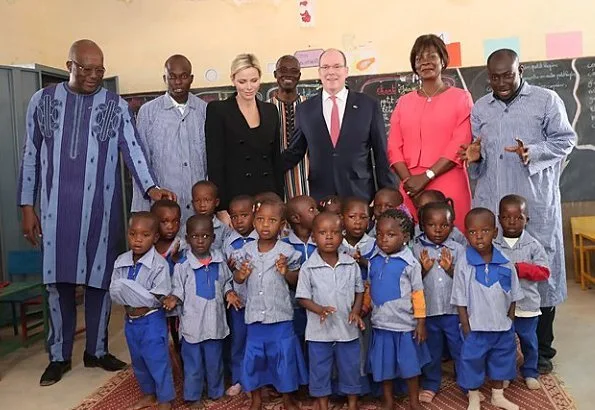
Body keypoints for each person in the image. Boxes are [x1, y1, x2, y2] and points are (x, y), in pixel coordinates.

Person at [17, 39, 175, 386]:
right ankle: (58, 356)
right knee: (57, 284)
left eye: (99, 70)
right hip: (56, 214)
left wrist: (151, 188)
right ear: (69, 65)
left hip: (102, 213)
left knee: (100, 282)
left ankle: (97, 351)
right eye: (85, 69)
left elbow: (132, 150)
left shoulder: (115, 105)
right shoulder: (41, 102)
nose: (93, 76)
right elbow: (30, 154)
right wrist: (27, 206)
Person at [460, 48, 576, 374]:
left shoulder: (547, 100)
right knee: (495, 278)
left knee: (539, 275)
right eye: (494, 77)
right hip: (493, 208)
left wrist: (534, 151)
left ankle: (544, 353)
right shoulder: (481, 108)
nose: (500, 83)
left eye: (506, 75)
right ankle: (502, 351)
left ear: (520, 69)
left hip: (533, 206)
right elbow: (478, 154)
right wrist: (474, 157)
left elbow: (566, 140)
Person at [283, 48, 395, 203]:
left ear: (346, 71)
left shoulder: (368, 105)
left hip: (359, 195)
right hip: (322, 197)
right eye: (325, 67)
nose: (331, 72)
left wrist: (388, 195)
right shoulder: (305, 109)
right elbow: (295, 151)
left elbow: (381, 153)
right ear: (319, 72)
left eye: (337, 66)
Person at [387, 34, 472, 232]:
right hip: (409, 185)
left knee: (453, 241)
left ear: (443, 60)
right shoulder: (404, 102)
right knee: (410, 241)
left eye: (431, 56)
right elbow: (393, 146)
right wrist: (409, 183)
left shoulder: (461, 98)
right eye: (419, 58)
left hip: (448, 178)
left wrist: (427, 176)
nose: (425, 62)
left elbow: (460, 143)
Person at [233, 200, 308, 410]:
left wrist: (287, 272)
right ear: (254, 221)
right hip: (255, 317)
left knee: (284, 359)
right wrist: (241, 274)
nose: (265, 225)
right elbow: (237, 280)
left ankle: (287, 399)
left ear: (282, 224)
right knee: (254, 360)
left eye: (272, 220)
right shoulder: (245, 251)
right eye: (260, 219)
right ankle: (256, 398)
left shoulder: (287, 252)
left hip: (280, 316)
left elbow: (297, 282)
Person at [163, 215, 241, 406]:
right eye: (195, 236)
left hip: (215, 325)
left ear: (213, 238)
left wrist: (229, 293)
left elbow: (225, 283)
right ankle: (193, 396)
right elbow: (178, 289)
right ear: (187, 238)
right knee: (193, 365)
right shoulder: (183, 265)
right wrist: (173, 298)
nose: (200, 240)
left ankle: (215, 391)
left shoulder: (220, 261)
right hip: (192, 327)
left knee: (215, 363)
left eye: (205, 236)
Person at [451, 208, 523, 410]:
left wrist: (510, 321)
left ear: (495, 232)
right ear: (466, 235)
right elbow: (460, 298)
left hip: (502, 327)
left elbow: (514, 295)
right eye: (472, 232)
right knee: (471, 361)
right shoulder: (464, 263)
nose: (479, 236)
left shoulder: (506, 263)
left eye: (484, 230)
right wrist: (466, 326)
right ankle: (473, 397)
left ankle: (497, 395)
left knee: (502, 361)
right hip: (476, 327)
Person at [296, 212, 365, 410]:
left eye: (334, 232)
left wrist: (356, 311)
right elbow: (302, 297)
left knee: (350, 368)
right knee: (320, 370)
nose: (329, 237)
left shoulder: (351, 264)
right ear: (313, 237)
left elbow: (359, 291)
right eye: (323, 232)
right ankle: (323, 404)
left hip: (347, 329)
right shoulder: (308, 267)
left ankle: (352, 404)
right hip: (319, 332)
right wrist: (319, 309)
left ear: (342, 235)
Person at [206, 53, 284, 223]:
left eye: (254, 80)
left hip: (268, 198)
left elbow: (275, 160)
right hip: (236, 201)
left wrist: (280, 201)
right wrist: (221, 208)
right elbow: (215, 163)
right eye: (242, 82)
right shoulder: (218, 110)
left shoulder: (271, 111)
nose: (249, 87)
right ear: (232, 79)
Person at [131, 55, 208, 229]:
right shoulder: (148, 112)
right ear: (165, 79)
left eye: (183, 76)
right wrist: (141, 211)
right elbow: (140, 161)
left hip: (199, 211)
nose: (178, 82)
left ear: (191, 79)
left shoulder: (204, 110)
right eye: (172, 77)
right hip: (162, 211)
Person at [109, 212, 174, 410]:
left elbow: (156, 297)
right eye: (133, 234)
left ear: (155, 237)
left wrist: (130, 291)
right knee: (139, 361)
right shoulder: (121, 261)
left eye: (145, 235)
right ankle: (149, 394)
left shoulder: (159, 264)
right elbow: (115, 292)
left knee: (157, 360)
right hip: (130, 320)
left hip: (151, 320)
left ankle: (165, 400)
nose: (138, 240)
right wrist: (128, 292)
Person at [367, 209, 430, 410]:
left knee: (410, 367)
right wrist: (364, 308)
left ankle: (413, 400)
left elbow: (418, 294)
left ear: (405, 237)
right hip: (381, 325)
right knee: (384, 366)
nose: (384, 239)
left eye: (391, 235)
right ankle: (388, 400)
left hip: (405, 326)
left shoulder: (410, 263)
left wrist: (420, 322)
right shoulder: (374, 260)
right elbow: (370, 287)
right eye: (379, 234)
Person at [495, 195, 550, 390]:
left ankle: (530, 372)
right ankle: (506, 374)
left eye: (518, 217)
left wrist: (520, 269)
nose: (512, 222)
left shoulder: (533, 245)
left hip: (527, 305)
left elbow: (544, 272)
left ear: (527, 219)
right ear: (499, 218)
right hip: (501, 307)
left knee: (529, 341)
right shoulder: (493, 245)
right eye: (506, 217)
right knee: (505, 343)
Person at [412, 201, 465, 403]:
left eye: (444, 225)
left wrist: (451, 269)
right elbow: (411, 283)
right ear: (422, 225)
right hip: (429, 312)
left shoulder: (458, 249)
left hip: (453, 311)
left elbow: (465, 280)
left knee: (459, 347)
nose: (438, 229)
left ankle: (466, 381)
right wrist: (423, 269)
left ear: (452, 226)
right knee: (431, 350)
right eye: (432, 225)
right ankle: (431, 383)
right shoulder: (415, 249)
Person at [222, 194, 258, 397]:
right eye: (234, 217)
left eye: (244, 215)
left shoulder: (262, 237)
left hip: (259, 303)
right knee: (238, 342)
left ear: (254, 213)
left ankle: (259, 381)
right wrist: (229, 292)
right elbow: (225, 273)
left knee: (258, 343)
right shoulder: (229, 242)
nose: (239, 221)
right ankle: (238, 379)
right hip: (239, 303)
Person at [268, 55, 309, 198]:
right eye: (283, 70)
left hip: (308, 182)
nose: (288, 75)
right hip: (275, 184)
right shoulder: (265, 109)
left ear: (299, 76)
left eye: (293, 71)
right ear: (275, 74)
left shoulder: (311, 107)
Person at [151, 199, 186, 356]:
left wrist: (177, 259)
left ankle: (184, 374)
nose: (171, 226)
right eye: (164, 222)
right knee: (159, 342)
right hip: (156, 306)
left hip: (177, 305)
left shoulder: (182, 245)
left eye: (175, 221)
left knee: (179, 339)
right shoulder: (149, 247)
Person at [191, 180, 231, 250]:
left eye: (207, 200)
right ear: (192, 203)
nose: (202, 205)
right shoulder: (186, 228)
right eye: (197, 200)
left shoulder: (224, 229)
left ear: (216, 202)